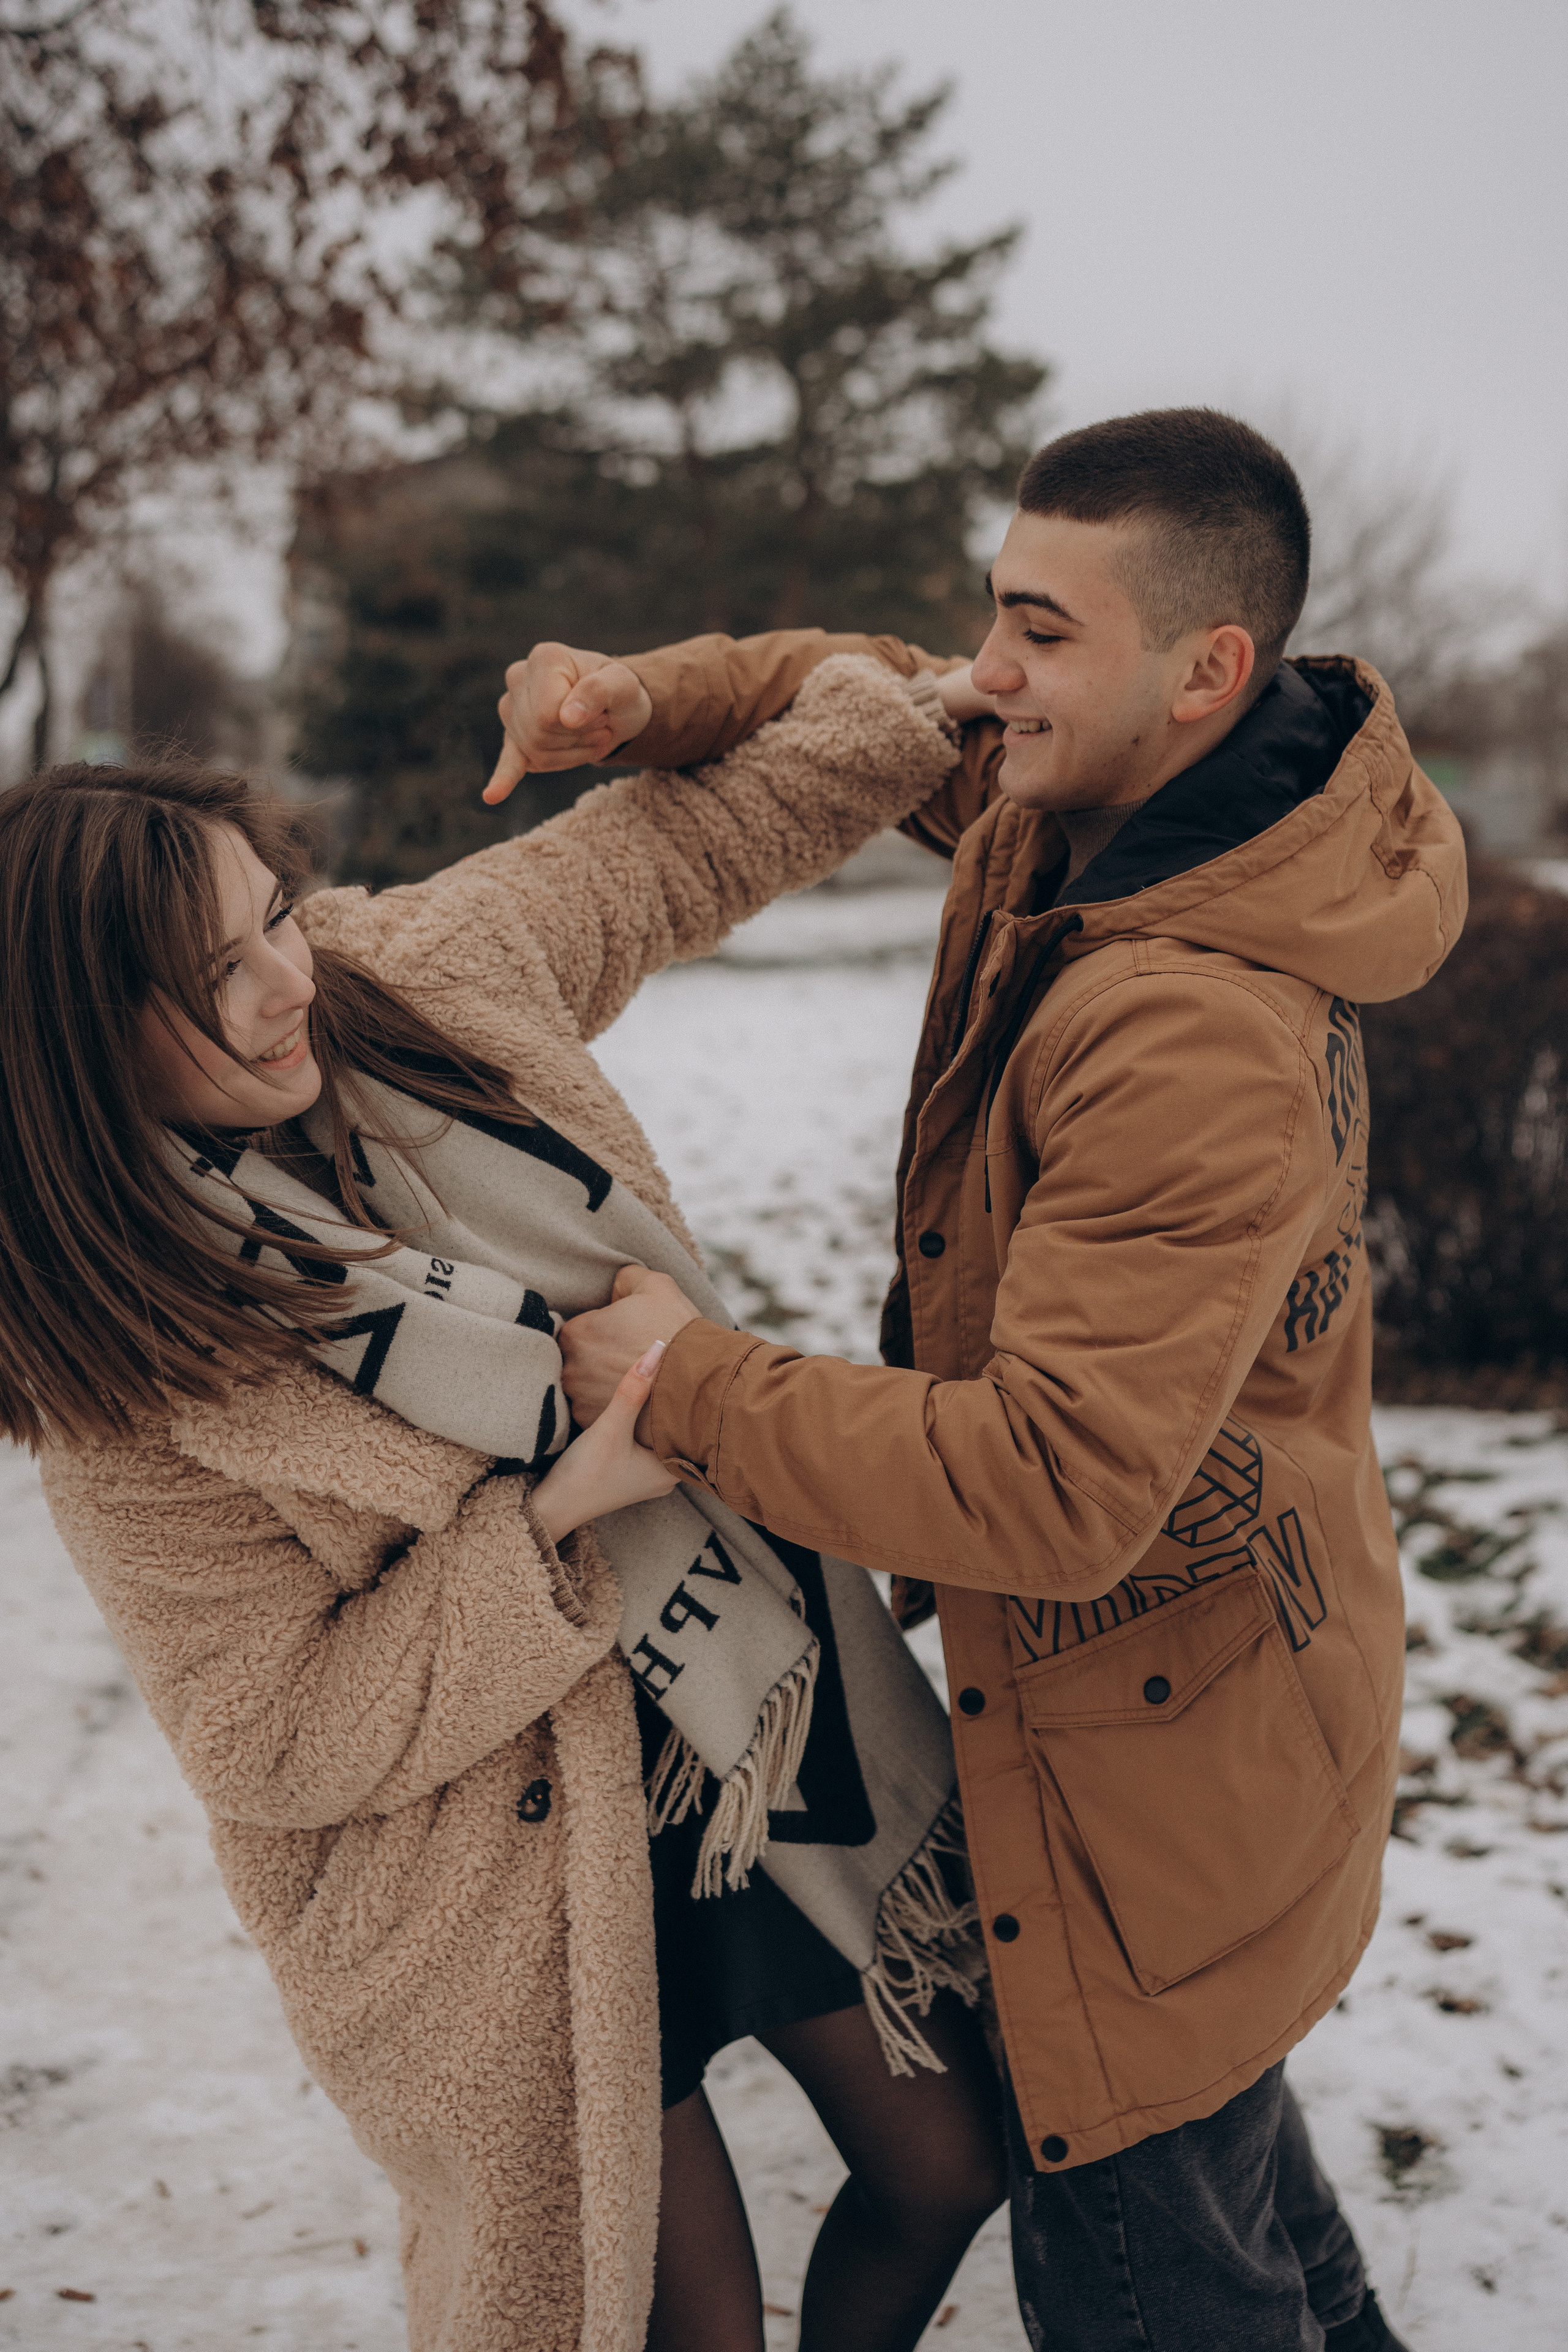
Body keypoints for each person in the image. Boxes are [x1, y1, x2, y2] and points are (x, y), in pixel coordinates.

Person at [491, 410, 1467, 2352]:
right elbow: (852, 686)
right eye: (992, 614)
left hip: (1156, 1760)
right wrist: (647, 695)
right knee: (1225, 2148)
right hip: (1222, 1702)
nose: (984, 674)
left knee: (1156, 2229)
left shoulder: (1185, 1025)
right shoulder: (1110, 803)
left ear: (1209, 669)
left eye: (1038, 630)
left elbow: (1047, 1482)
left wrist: (687, 1383)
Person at [0, 655, 1006, 2352]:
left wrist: (911, 713)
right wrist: (549, 1520)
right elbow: (275, 1733)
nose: (280, 989)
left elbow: (677, 844)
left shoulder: (420, 983)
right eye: (207, 979)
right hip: (488, 1871)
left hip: (737, 1698)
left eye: (275, 920)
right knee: (667, 2321)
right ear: (76, 1050)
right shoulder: (128, 1377)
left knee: (949, 2163)